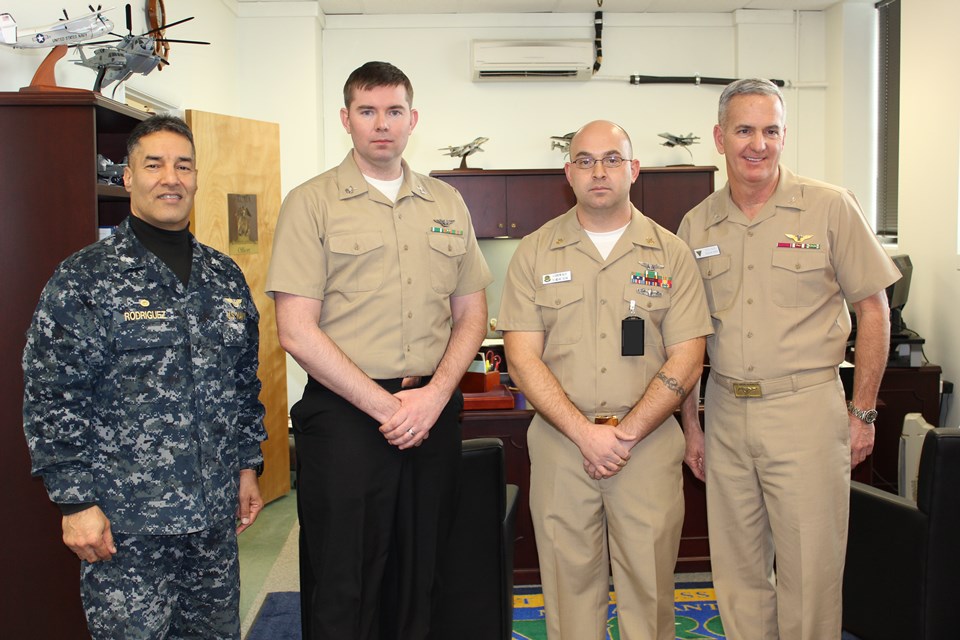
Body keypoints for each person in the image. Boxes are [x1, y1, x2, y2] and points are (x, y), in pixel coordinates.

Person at [265, 61, 492, 640]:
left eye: (394, 111)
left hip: (432, 413)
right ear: (347, 119)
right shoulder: (310, 203)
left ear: (413, 119)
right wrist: (389, 409)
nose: (381, 124)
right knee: (346, 581)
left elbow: (472, 313)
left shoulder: (447, 204)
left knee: (423, 573)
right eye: (367, 111)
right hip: (346, 418)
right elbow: (295, 330)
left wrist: (435, 396)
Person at [22, 114, 267, 639]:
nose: (170, 178)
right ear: (128, 177)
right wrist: (74, 502)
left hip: (211, 524)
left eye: (183, 165)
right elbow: (52, 395)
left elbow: (244, 382)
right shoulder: (85, 277)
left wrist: (248, 467)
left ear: (197, 177)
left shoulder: (223, 276)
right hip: (125, 528)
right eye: (153, 165)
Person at [676, 78, 901, 640]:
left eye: (771, 130)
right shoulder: (697, 224)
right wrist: (692, 424)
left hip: (805, 409)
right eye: (744, 130)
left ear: (784, 136)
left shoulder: (829, 207)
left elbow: (874, 311)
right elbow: (687, 337)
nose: (759, 144)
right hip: (726, 411)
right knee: (738, 573)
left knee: (810, 575)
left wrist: (864, 412)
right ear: (719, 138)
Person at [499, 120, 712, 640]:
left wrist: (627, 433)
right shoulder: (533, 252)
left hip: (648, 447)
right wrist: (585, 434)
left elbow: (687, 357)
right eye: (587, 160)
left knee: (652, 592)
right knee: (569, 595)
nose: (600, 171)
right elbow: (523, 359)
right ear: (568, 172)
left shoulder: (671, 254)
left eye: (613, 159)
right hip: (560, 447)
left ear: (633, 170)